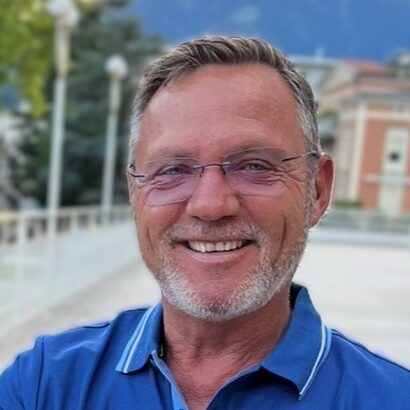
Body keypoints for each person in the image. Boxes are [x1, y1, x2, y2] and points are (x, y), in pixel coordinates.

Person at [0, 36, 409, 410]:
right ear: (135, 194)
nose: (211, 205)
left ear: (317, 191)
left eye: (254, 166)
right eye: (173, 170)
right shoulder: (43, 385)